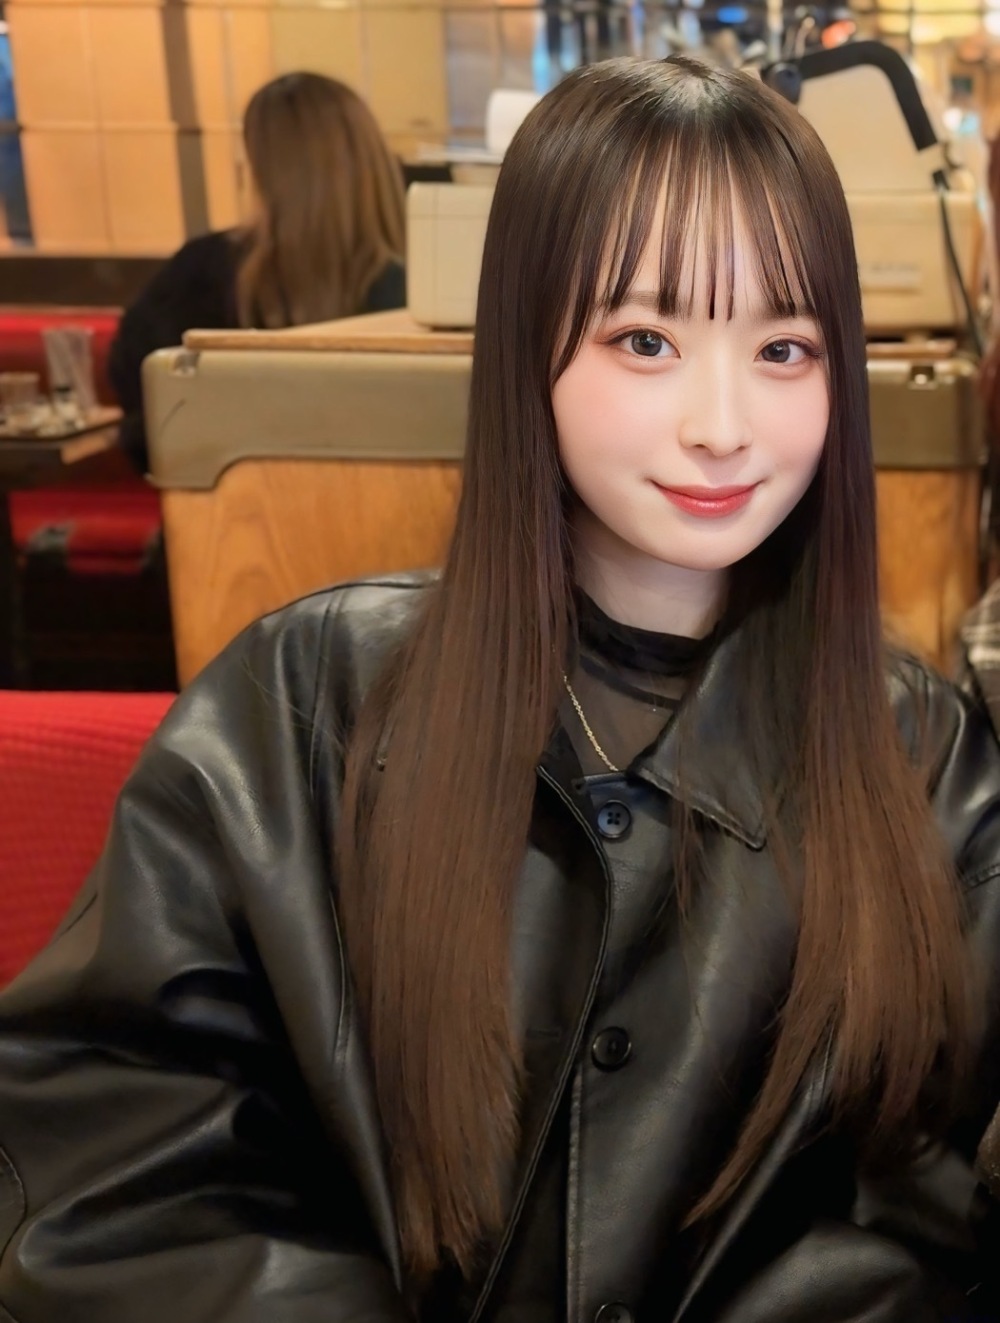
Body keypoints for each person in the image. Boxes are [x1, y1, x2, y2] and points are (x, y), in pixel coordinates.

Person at [2, 55, 1000, 1323]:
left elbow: (932, 1213)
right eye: (645, 340)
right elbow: (108, 1173)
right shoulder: (299, 705)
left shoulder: (926, 762)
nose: (723, 424)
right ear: (527, 348)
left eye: (784, 348)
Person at [108, 71, 407, 473]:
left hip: (228, 502)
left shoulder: (201, 273)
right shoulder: (422, 287)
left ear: (261, 168)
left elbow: (141, 394)